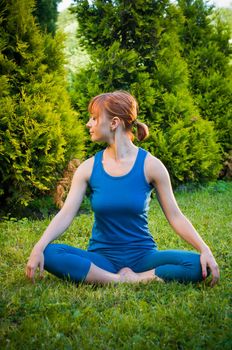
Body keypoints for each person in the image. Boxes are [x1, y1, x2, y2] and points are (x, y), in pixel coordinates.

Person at [26, 91, 220, 286]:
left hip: (143, 258)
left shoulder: (151, 166)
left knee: (197, 265)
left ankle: (136, 278)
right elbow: (66, 213)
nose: (88, 124)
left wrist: (205, 250)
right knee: (50, 253)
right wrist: (39, 247)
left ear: (114, 123)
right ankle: (120, 280)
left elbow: (175, 216)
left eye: (94, 118)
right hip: (102, 260)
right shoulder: (88, 168)